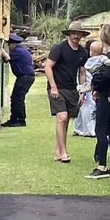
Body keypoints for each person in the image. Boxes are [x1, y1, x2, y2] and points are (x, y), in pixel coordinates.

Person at [83, 35, 110, 178]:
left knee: (100, 129)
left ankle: (101, 166)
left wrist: (95, 85)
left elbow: (105, 76)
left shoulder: (109, 58)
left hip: (106, 96)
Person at [46, 23, 91, 163]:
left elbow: (82, 73)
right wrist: (53, 87)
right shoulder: (59, 48)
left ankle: (58, 151)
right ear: (69, 34)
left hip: (72, 89)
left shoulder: (83, 53)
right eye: (74, 33)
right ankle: (64, 152)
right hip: (57, 87)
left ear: (82, 35)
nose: (76, 36)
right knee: (62, 117)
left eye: (79, 33)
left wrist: (82, 92)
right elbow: (48, 67)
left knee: (66, 121)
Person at [0, 31, 34, 126]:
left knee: (18, 98)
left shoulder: (18, 52)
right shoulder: (21, 50)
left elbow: (6, 58)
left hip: (25, 77)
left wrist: (0, 48)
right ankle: (14, 119)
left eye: (9, 44)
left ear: (13, 44)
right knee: (15, 98)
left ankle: (20, 120)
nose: (9, 47)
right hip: (25, 77)